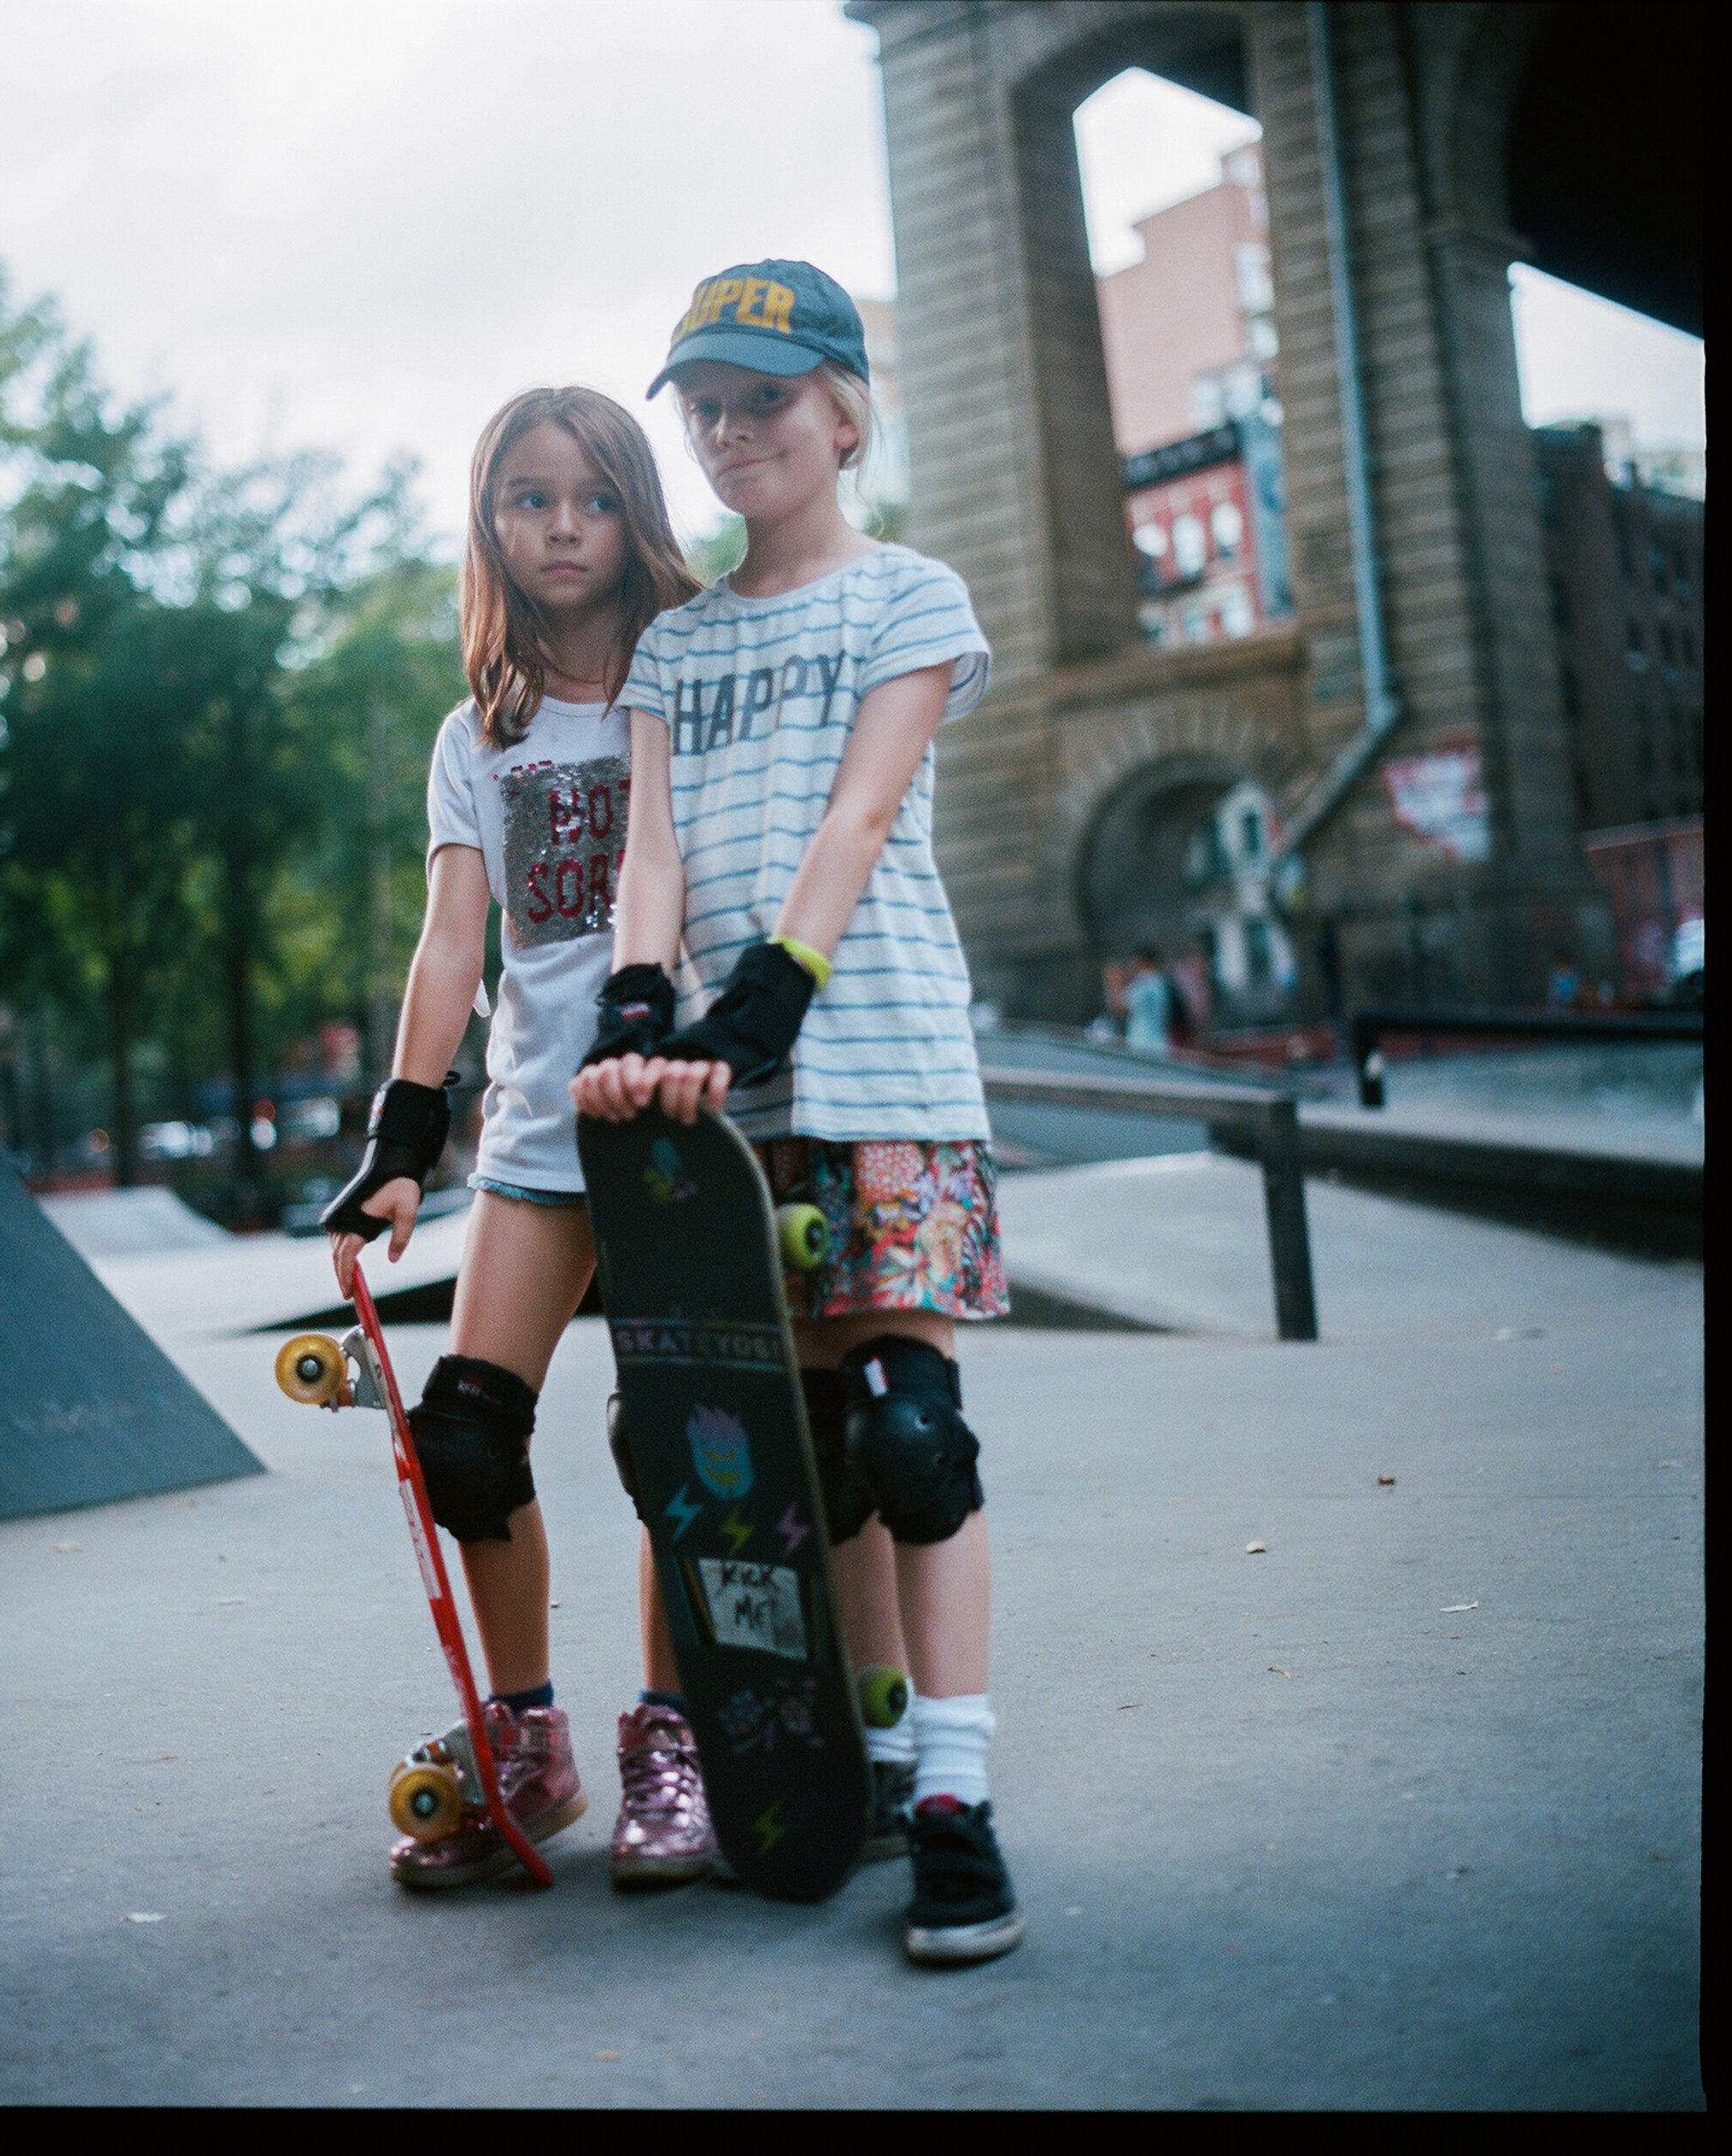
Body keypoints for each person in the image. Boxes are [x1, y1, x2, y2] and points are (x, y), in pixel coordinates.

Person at [570, 261, 1023, 1966]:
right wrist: (638, 1004)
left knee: (916, 1438)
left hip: (882, 1060)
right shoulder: (673, 643)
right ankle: (871, 1739)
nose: (731, 426)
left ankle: (960, 1800)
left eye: (765, 396)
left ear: (841, 409)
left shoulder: (906, 595)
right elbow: (652, 852)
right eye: (705, 401)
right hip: (733, 1116)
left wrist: (766, 990)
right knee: (813, 1460)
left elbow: (856, 813)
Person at [323, 387, 702, 1890]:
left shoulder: (695, 674)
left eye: (593, 497)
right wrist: (403, 1137)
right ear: (489, 521)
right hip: (539, 1130)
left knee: (687, 1438)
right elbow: (448, 944)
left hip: (679, 1117)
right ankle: (530, 1741)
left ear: (636, 513)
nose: (562, 527)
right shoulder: (478, 727)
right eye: (530, 498)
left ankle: (677, 1740)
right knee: (468, 1436)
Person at [1123, 943, 1175, 1053]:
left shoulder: (1144, 983)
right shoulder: (1160, 982)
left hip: (1143, 1041)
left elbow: (1121, 1007)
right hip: (1160, 1040)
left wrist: (1112, 980)